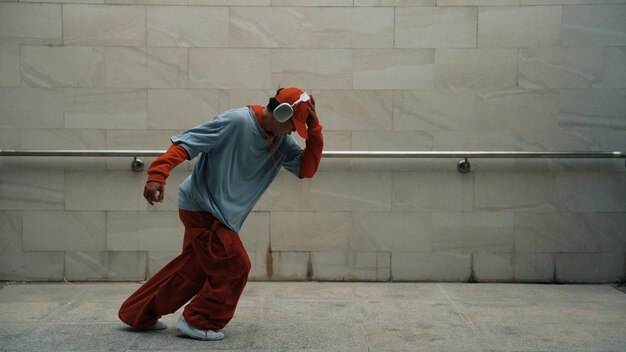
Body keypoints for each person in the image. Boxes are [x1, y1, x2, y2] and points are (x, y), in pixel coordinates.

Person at [118, 87, 323, 341]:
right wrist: (158, 174)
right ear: (280, 113)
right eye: (293, 125)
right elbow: (187, 142)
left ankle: (137, 313)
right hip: (203, 208)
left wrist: (314, 128)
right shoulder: (236, 121)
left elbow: (307, 168)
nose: (294, 132)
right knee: (234, 266)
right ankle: (199, 320)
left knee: (193, 272)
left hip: (218, 213)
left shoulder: (282, 143)